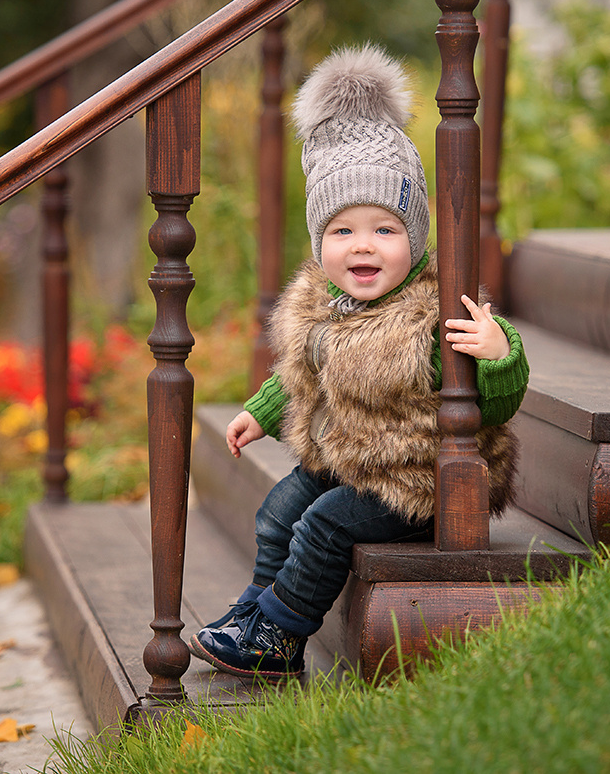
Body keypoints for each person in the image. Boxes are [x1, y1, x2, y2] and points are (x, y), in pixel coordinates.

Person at [189, 45, 530, 679]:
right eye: (342, 232)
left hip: (421, 479)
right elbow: (300, 371)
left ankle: (280, 636)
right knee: (279, 510)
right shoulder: (324, 302)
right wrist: (261, 412)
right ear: (321, 243)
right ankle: (254, 612)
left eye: (385, 229)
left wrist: (499, 354)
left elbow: (498, 401)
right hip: (352, 459)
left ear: (416, 236)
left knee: (322, 525)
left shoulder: (434, 309)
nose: (363, 246)